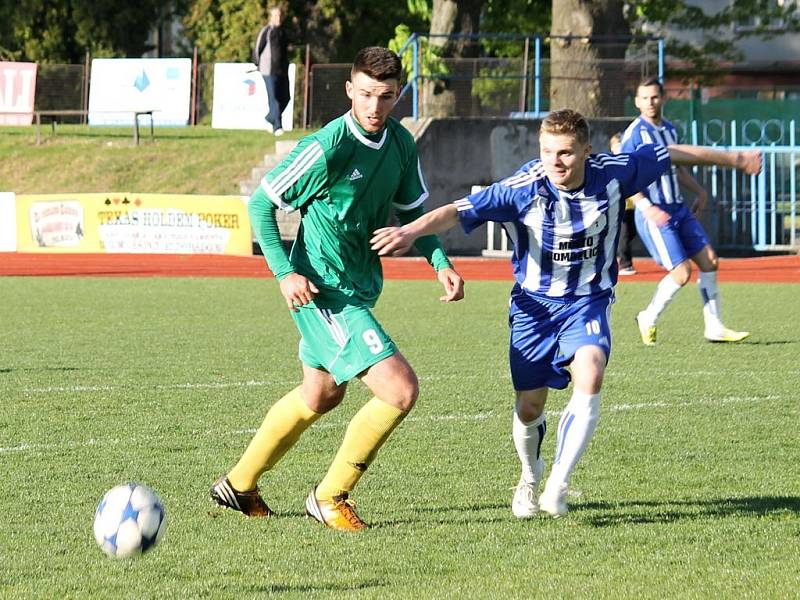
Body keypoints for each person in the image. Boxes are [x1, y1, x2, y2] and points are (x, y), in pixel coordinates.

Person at [370, 109, 761, 518]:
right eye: (547, 152)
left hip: (588, 300)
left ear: (587, 152)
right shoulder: (523, 187)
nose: (555, 161)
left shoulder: (613, 173)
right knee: (529, 408)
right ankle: (529, 475)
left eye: (566, 153)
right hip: (533, 309)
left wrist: (734, 159)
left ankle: (559, 480)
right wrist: (410, 231)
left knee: (590, 373)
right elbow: (457, 209)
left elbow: (669, 152)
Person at [210, 47, 464, 532]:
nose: (374, 106)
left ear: (398, 96)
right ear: (349, 90)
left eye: (385, 96)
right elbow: (261, 206)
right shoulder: (326, 145)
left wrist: (439, 261)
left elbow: (413, 214)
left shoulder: (400, 145)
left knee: (322, 394)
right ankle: (329, 497)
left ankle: (239, 485)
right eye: (366, 94)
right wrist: (285, 272)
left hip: (358, 288)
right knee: (400, 389)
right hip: (323, 294)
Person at [622, 77, 750, 345]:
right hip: (654, 211)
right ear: (636, 102)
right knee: (681, 273)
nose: (650, 102)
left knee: (710, 261)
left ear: (663, 98)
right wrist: (646, 207)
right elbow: (625, 176)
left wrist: (701, 191)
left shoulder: (670, 129)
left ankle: (714, 326)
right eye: (644, 98)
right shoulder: (634, 134)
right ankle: (648, 317)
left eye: (655, 97)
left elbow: (677, 168)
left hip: (678, 208)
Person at [254, 5, 290, 136]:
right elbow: (258, 48)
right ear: (271, 17)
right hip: (268, 71)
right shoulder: (267, 31)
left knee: (286, 98)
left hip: (283, 71)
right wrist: (257, 64)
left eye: (280, 15)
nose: (278, 18)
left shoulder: (284, 32)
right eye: (275, 15)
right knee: (274, 98)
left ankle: (270, 118)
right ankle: (277, 127)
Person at [609, 132, 638, 275]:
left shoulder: (629, 162)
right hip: (620, 205)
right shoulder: (612, 164)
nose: (620, 148)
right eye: (617, 145)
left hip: (633, 205)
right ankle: (625, 264)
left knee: (631, 232)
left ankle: (619, 259)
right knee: (624, 234)